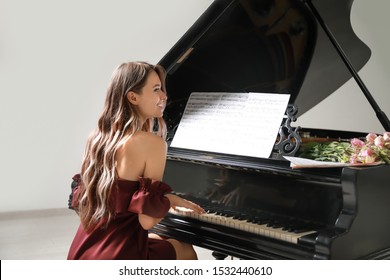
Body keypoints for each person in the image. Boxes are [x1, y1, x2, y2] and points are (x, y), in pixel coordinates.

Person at [67, 61, 205, 260]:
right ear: (133, 97)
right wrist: (170, 199)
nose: (164, 96)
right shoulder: (153, 144)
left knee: (166, 238)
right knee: (185, 250)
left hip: (85, 250)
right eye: (157, 89)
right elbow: (147, 221)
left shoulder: (96, 138)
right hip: (120, 255)